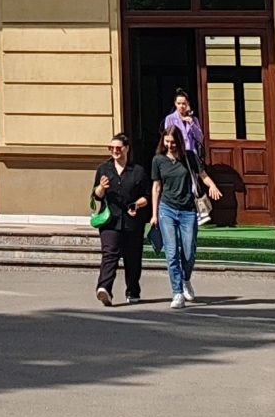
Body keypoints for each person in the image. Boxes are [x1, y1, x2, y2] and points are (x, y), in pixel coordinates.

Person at [150, 125, 223, 308]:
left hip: (188, 210)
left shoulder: (189, 157)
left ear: (180, 141)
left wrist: (212, 185)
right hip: (166, 209)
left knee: (189, 252)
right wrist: (154, 214)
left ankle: (185, 279)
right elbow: (156, 187)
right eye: (167, 141)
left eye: (173, 142)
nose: (170, 145)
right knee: (172, 252)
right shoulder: (158, 160)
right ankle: (177, 293)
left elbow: (203, 175)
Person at [89, 132, 152, 307]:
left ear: (126, 149)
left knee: (133, 258)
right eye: (111, 148)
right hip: (110, 220)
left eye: (118, 148)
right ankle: (104, 288)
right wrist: (101, 188)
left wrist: (137, 205)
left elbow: (147, 196)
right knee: (109, 254)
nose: (115, 151)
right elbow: (96, 196)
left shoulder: (138, 171)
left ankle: (133, 290)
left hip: (132, 221)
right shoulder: (103, 169)